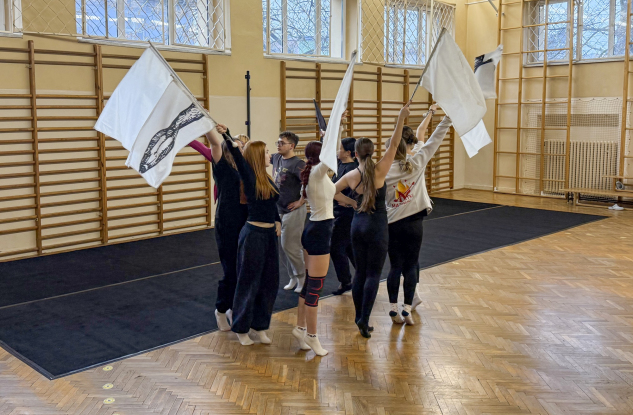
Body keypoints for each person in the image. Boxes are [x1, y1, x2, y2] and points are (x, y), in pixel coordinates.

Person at [334, 102, 411, 338]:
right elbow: (395, 144)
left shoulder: (350, 175)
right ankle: (364, 319)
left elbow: (332, 192)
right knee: (372, 275)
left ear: (355, 154)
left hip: (357, 225)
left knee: (360, 273)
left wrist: (351, 202)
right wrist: (401, 118)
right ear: (373, 152)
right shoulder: (380, 170)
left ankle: (359, 315)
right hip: (377, 226)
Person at [292, 116, 357, 356]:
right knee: (315, 288)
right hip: (319, 233)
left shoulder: (315, 175)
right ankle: (312, 336)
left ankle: (300, 329)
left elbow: (333, 193)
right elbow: (331, 155)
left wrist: (352, 202)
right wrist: (335, 127)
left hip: (313, 229)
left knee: (309, 283)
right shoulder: (318, 173)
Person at [384, 106, 452, 325]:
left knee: (395, 267)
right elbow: (434, 139)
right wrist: (448, 118)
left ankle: (393, 308)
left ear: (390, 149)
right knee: (411, 265)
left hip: (392, 224)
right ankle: (407, 308)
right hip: (414, 224)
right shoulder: (416, 162)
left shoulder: (383, 170)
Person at [222, 131, 281, 346]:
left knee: (270, 282)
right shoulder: (249, 177)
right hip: (253, 236)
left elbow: (271, 203)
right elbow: (238, 156)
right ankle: (241, 327)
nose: (270, 155)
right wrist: (226, 134)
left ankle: (260, 325)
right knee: (248, 282)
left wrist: (277, 220)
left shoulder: (267, 178)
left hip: (269, 236)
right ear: (257, 157)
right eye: (266, 152)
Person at [189, 127, 247, 332]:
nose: (243, 150)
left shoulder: (244, 168)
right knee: (231, 271)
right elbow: (214, 143)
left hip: (245, 223)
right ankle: (221, 310)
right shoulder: (222, 167)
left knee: (242, 270)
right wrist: (207, 125)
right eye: (239, 147)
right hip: (227, 224)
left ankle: (233, 307)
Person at [272, 132, 307, 293]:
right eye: (278, 142)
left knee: (291, 246)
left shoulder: (297, 163)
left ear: (291, 146)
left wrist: (301, 201)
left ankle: (302, 277)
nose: (278, 145)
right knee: (282, 247)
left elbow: (309, 183)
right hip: (278, 209)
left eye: (282, 143)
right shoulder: (277, 158)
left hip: (293, 210)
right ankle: (292, 276)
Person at [330, 136, 358, 295]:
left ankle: (346, 281)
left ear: (348, 152)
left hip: (347, 216)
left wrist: (348, 202)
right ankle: (361, 275)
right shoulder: (341, 163)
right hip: (338, 213)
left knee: (336, 248)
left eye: (340, 149)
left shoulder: (353, 169)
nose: (337, 151)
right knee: (348, 247)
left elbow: (357, 193)